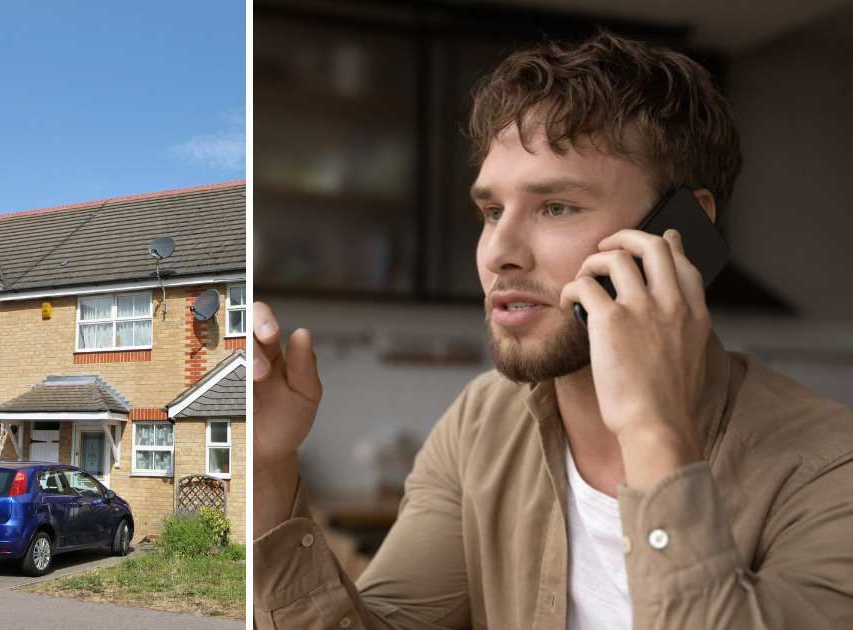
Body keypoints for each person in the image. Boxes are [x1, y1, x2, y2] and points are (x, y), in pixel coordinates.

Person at [252, 32, 853, 630]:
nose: (498, 252)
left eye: (556, 207)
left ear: (684, 230)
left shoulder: (831, 467)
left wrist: (651, 427)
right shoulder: (482, 422)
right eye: (492, 212)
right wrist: (266, 467)